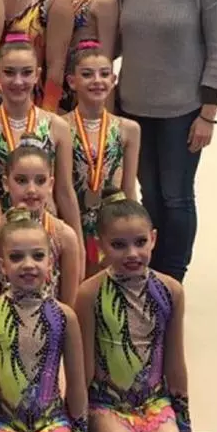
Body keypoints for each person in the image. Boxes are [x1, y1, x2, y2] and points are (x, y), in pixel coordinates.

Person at [118, 0, 217, 282]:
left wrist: (208, 114)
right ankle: (149, 271)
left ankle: (172, 279)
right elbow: (120, 40)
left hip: (182, 112)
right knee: (149, 195)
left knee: (176, 197)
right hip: (133, 110)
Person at [75, 189, 191, 432]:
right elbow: (84, 368)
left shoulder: (171, 291)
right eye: (118, 245)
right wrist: (78, 424)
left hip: (154, 403)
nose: (132, 254)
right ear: (100, 244)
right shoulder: (89, 293)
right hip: (107, 404)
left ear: (153, 239)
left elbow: (175, 363)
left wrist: (184, 423)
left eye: (140, 242)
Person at [0, 207, 88, 432]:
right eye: (16, 257)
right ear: (2, 266)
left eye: (38, 256)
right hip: (5, 423)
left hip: (52, 421)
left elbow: (76, 384)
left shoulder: (65, 316)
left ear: (50, 263)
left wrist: (80, 430)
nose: (28, 264)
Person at [0, 35, 84, 256]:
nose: (18, 81)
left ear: (37, 75)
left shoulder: (57, 126)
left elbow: (64, 192)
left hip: (47, 234)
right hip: (2, 237)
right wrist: (2, 240)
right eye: (9, 72)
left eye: (26, 72)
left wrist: (78, 247)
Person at [0, 134, 81, 308]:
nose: (31, 189)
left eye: (40, 181)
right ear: (6, 183)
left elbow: (70, 305)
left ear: (51, 184)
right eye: (21, 180)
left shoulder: (65, 236)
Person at [64, 41, 139, 275]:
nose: (97, 80)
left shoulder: (128, 129)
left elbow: (129, 187)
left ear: (113, 80)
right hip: (71, 221)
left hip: (111, 225)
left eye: (104, 74)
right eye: (87, 74)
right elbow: (61, 188)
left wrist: (132, 230)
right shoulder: (60, 126)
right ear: (72, 81)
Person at [1, 0, 73, 113]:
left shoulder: (57, 0)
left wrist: (47, 118)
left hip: (35, 106)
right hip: (0, 100)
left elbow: (56, 67)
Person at [62, 0, 118, 112]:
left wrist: (106, 117)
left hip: (87, 95)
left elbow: (106, 62)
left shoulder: (105, 0)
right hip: (63, 88)